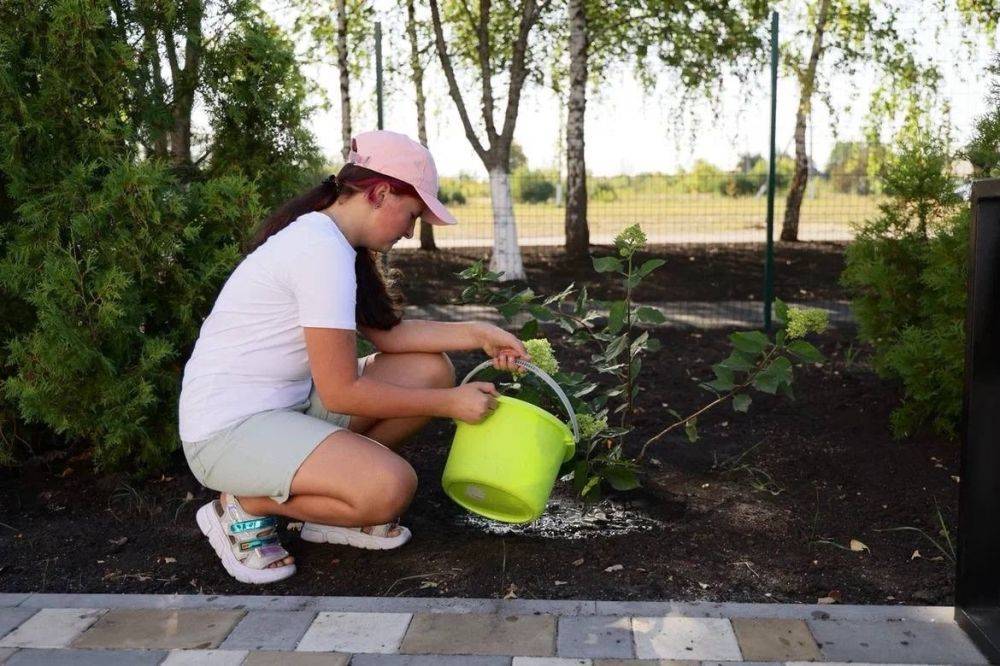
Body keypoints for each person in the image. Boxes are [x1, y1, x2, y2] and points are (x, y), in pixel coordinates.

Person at [179, 130, 528, 584]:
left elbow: (390, 336)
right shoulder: (318, 250)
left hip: (288, 410)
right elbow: (342, 392)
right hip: (227, 434)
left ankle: (332, 504)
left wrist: (479, 333)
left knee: (430, 369)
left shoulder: (335, 242)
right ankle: (244, 504)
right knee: (391, 488)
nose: (408, 230)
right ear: (380, 193)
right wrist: (450, 405)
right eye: (412, 214)